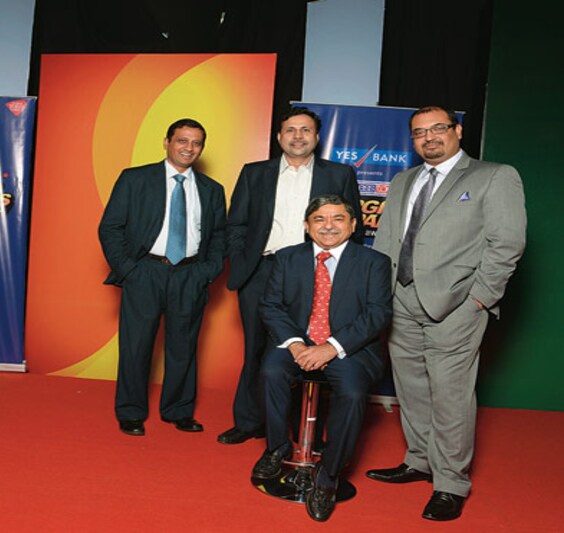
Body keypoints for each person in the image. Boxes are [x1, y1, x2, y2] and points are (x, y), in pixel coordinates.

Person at [367, 106, 527, 521]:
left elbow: (506, 243)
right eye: (419, 132)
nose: (429, 137)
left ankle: (450, 482)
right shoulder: (404, 179)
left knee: (451, 394)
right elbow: (386, 241)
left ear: (457, 131)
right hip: (399, 301)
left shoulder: (493, 176)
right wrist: (380, 296)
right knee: (412, 388)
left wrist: (480, 297)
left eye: (439, 128)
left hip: (456, 305)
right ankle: (419, 460)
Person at [220, 107, 363, 445]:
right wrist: (245, 259)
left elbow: (351, 227)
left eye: (305, 130)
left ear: (317, 137)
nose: (298, 136)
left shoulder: (340, 173)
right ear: (279, 136)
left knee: (309, 348)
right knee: (256, 347)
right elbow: (236, 223)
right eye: (290, 130)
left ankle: (305, 427)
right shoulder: (255, 173)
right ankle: (249, 421)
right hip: (262, 269)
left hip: (314, 269)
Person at [251, 194, 391, 521]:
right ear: (306, 225)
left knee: (354, 392)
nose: (329, 226)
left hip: (349, 347)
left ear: (354, 224)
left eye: (338, 219)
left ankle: (328, 475)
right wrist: (298, 346)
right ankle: (277, 449)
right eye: (320, 219)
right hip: (297, 342)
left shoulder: (375, 263)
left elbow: (377, 314)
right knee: (270, 372)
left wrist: (330, 348)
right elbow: (270, 306)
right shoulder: (286, 258)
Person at [98, 118, 225, 436]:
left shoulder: (212, 190)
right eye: (182, 140)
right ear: (167, 142)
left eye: (196, 143)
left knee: (184, 346)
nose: (189, 148)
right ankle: (130, 412)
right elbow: (110, 227)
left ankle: (179, 410)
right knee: (136, 345)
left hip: (190, 274)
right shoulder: (135, 179)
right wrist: (130, 270)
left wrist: (207, 272)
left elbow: (220, 236)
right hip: (146, 272)